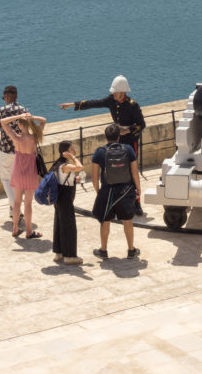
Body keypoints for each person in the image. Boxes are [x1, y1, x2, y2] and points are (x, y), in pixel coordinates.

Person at [59, 74, 146, 214]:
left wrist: (127, 131)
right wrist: (73, 104)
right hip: (115, 139)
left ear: (123, 92)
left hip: (130, 141)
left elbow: (142, 124)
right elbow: (95, 103)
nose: (112, 93)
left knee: (131, 171)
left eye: (115, 91)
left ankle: (137, 202)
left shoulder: (133, 105)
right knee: (114, 170)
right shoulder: (111, 100)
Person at [90, 123, 140, 260]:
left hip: (107, 191)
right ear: (119, 136)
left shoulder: (99, 152)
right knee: (127, 221)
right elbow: (134, 172)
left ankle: (103, 250)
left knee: (105, 221)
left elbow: (94, 176)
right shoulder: (128, 149)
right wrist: (138, 188)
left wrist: (98, 191)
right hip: (126, 190)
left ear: (106, 137)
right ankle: (131, 250)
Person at [0, 111, 46, 239]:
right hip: (31, 172)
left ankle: (15, 229)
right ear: (29, 124)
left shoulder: (16, 138)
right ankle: (29, 231)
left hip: (18, 172)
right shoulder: (35, 137)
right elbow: (44, 120)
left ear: (19, 125)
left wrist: (18, 117)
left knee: (16, 202)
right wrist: (31, 117)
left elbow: (3, 122)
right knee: (28, 203)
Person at [0, 85, 29, 222]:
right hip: (21, 150)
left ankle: (16, 208)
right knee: (17, 180)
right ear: (17, 96)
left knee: (6, 179)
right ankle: (12, 211)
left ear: (7, 96)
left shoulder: (2, 110)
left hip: (6, 150)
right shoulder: (24, 110)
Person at [50, 140, 85, 265]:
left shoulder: (57, 164)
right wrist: (73, 158)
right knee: (69, 227)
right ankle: (70, 256)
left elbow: (61, 179)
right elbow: (80, 167)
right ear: (65, 152)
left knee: (59, 225)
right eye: (72, 149)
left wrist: (74, 178)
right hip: (65, 200)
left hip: (59, 199)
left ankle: (59, 253)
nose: (74, 151)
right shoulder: (65, 165)